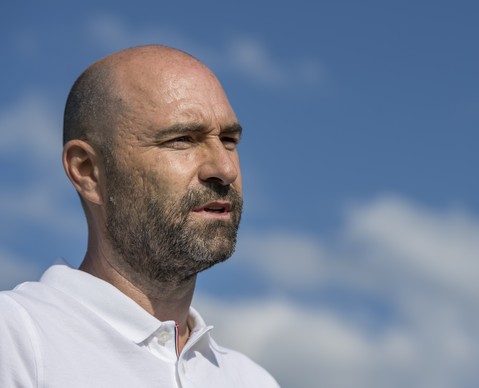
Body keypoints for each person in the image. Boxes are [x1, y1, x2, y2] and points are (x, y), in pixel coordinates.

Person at [0, 45, 280, 387]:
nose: (223, 168)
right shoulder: (16, 340)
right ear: (88, 171)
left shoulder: (251, 380)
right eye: (182, 139)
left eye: (228, 140)